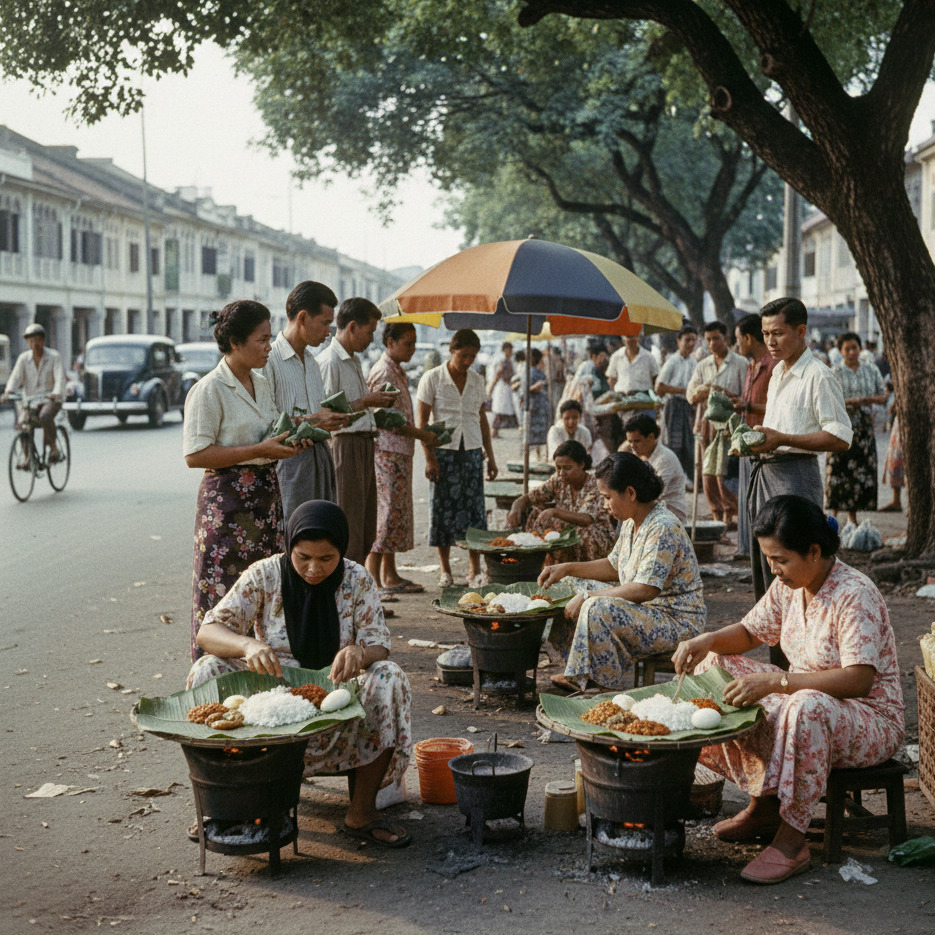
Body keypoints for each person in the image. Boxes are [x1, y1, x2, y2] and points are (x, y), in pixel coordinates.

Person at [672, 496, 904, 884]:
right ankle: (764, 805)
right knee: (715, 666)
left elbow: (858, 679)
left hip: (869, 718)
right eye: (769, 559)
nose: (773, 570)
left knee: (806, 707)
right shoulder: (790, 586)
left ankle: (793, 839)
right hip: (803, 697)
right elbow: (750, 632)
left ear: (814, 551)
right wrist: (706, 640)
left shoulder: (855, 593)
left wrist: (777, 683)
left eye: (780, 560)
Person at [188, 500, 413, 848]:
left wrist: (360, 652)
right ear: (289, 545)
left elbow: (379, 645)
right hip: (270, 697)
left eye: (326, 558)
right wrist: (248, 645)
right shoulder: (264, 575)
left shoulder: (357, 578)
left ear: (342, 551)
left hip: (336, 696)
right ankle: (228, 804)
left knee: (389, 676)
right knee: (207, 668)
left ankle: (361, 812)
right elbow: (208, 631)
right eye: (303, 557)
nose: (313, 569)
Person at [183, 300, 301, 661]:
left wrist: (288, 442)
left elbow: (269, 433)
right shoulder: (209, 389)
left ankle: (260, 669)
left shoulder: (261, 383)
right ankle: (213, 675)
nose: (269, 347)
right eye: (262, 340)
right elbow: (195, 455)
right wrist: (258, 450)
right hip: (227, 506)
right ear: (235, 342)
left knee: (263, 587)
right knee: (223, 591)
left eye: (269, 338)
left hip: (265, 499)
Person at [538, 452, 705, 692]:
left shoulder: (662, 527)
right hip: (648, 611)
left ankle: (601, 684)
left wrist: (588, 597)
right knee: (570, 586)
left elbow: (645, 589)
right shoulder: (631, 520)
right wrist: (567, 569)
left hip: (675, 622)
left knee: (596, 607)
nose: (605, 505)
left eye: (607, 498)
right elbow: (614, 565)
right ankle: (580, 671)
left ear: (630, 493)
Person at [747, 298, 851, 661]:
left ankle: (806, 662)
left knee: (797, 569)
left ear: (801, 331)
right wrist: (756, 440)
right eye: (765, 334)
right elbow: (777, 431)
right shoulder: (777, 372)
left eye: (777, 333)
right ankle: (778, 664)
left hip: (796, 475)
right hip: (767, 472)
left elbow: (839, 437)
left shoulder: (819, 375)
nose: (770, 342)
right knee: (770, 571)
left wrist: (783, 439)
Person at [317, 298, 398, 565]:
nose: (372, 338)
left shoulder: (352, 360)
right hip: (345, 444)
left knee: (365, 525)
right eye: (370, 331)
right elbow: (325, 413)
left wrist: (373, 405)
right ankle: (347, 586)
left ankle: (359, 583)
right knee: (349, 522)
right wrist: (366, 401)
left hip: (363, 443)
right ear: (352, 327)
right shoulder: (330, 362)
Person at [417, 329, 498, 589]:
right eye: (463, 355)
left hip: (472, 450)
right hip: (443, 451)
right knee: (442, 510)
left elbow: (482, 419)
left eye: (472, 356)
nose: (467, 361)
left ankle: (474, 569)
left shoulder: (477, 379)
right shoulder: (432, 378)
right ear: (451, 350)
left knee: (474, 510)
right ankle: (445, 569)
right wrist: (429, 458)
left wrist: (491, 457)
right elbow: (422, 423)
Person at [262, 281, 351, 518]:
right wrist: (314, 421)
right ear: (302, 317)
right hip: (289, 465)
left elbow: (317, 413)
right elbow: (264, 425)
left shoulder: (312, 362)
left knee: (323, 528)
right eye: (324, 323)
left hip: (321, 458)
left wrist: (329, 420)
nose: (328, 332)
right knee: (295, 530)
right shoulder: (269, 361)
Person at [364, 321, 438, 594]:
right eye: (408, 343)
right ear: (390, 342)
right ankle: (373, 579)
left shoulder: (396, 370)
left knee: (394, 515)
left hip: (399, 452)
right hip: (387, 453)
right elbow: (384, 418)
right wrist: (421, 434)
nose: (413, 349)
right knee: (385, 516)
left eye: (414, 343)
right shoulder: (384, 371)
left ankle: (389, 574)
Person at [505, 440, 616, 566]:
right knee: (535, 513)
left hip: (597, 536)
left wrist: (554, 512)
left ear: (581, 465)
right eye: (558, 468)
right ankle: (531, 564)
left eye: (567, 468)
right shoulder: (558, 480)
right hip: (566, 532)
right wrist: (516, 508)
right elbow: (530, 497)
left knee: (582, 533)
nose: (562, 473)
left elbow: (586, 519)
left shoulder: (595, 485)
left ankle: (586, 570)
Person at [686, 320, 747, 528]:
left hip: (731, 424)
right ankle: (716, 514)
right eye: (708, 340)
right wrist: (704, 390)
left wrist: (723, 393)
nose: (712, 343)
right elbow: (690, 394)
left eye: (716, 339)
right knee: (707, 469)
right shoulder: (702, 365)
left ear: (726, 339)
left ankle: (730, 513)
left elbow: (745, 396)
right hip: (706, 424)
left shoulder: (740, 363)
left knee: (725, 470)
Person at [824, 332, 887, 526]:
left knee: (859, 473)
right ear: (840, 351)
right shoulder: (834, 372)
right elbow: (827, 401)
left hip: (863, 431)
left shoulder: (871, 369)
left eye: (854, 348)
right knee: (837, 471)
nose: (851, 352)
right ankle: (832, 517)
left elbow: (883, 396)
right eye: (847, 349)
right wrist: (852, 402)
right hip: (840, 430)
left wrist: (866, 400)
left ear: (860, 348)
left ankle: (852, 518)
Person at [733, 314, 776, 558]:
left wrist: (747, 406)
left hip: (765, 444)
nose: (737, 344)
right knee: (747, 500)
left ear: (748, 338)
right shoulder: (751, 366)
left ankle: (761, 552)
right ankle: (748, 550)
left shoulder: (773, 366)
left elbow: (776, 407)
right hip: (748, 442)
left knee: (761, 503)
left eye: (738, 339)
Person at [2, 323, 67, 463]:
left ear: (43, 340)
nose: (35, 344)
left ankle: (53, 447)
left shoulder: (54, 356)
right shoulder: (23, 358)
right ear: (28, 342)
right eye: (31, 341)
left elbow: (59, 378)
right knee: (23, 424)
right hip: (31, 400)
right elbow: (15, 377)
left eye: (38, 340)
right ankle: (28, 457)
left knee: (45, 416)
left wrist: (56, 393)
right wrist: (8, 391)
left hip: (50, 399)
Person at [620, 413, 688, 524]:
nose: (632, 446)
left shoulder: (665, 459)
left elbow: (652, 495)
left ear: (651, 437)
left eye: (637, 441)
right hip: (647, 509)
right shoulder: (638, 454)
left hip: (668, 517)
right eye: (630, 442)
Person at [654, 324, 698, 480]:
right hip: (674, 405)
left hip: (688, 407)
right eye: (687, 340)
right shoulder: (672, 361)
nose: (691, 344)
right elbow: (659, 387)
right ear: (679, 341)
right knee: (674, 444)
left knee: (688, 444)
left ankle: (685, 478)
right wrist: (683, 390)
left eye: (693, 340)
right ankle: (671, 477)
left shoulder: (694, 363)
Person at [517, 347, 550, 459]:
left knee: (539, 436)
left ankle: (538, 456)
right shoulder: (526, 372)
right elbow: (523, 390)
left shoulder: (537, 372)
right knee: (529, 434)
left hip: (539, 407)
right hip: (532, 407)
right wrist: (534, 387)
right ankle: (529, 457)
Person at [487, 341, 518, 437]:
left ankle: (495, 430)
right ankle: (494, 430)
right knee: (500, 411)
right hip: (502, 388)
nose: (511, 352)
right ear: (505, 350)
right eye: (510, 350)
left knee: (503, 410)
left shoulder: (508, 361)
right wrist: (490, 389)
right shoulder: (502, 362)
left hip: (507, 388)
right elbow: (497, 376)